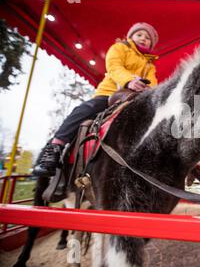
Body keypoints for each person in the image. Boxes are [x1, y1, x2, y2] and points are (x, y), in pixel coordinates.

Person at [33, 22, 159, 176]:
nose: (143, 39)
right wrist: (129, 81)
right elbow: (114, 67)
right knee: (85, 110)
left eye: (148, 38)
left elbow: (153, 82)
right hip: (110, 94)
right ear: (130, 36)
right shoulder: (120, 48)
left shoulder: (149, 64)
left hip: (134, 100)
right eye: (139, 35)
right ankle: (55, 148)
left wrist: (151, 91)